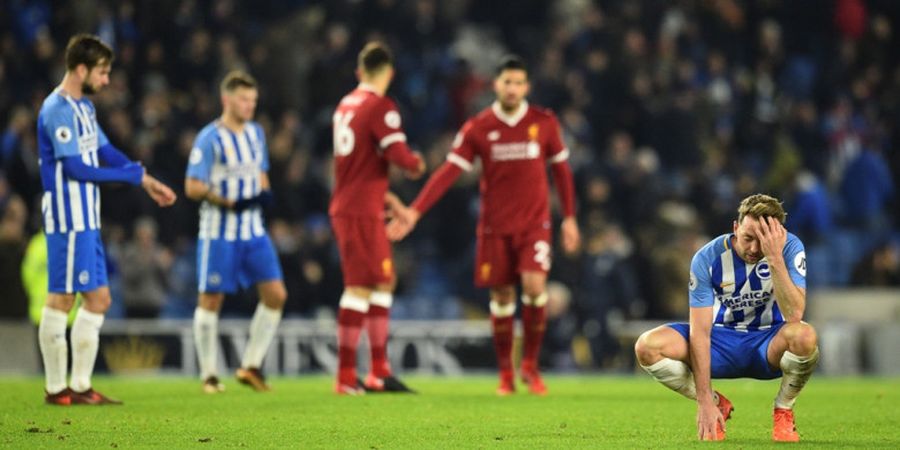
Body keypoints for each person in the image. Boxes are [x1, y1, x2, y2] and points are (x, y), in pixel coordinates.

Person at [387, 55, 581, 396]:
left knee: (536, 289)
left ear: (527, 87)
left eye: (519, 83)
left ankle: (531, 368)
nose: (512, 88)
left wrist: (569, 217)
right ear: (496, 84)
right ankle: (506, 372)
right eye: (507, 82)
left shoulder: (544, 122)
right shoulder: (479, 126)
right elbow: (448, 172)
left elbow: (561, 171)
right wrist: (416, 211)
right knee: (502, 297)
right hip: (494, 227)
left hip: (534, 224)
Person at [37, 34, 176, 405]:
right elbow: (76, 168)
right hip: (68, 217)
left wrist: (144, 178)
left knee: (98, 299)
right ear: (80, 69)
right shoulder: (56, 109)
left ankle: (80, 386)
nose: (106, 80)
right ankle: (56, 389)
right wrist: (129, 178)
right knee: (62, 299)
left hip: (88, 218)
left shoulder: (84, 108)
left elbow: (104, 150)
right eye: (102, 72)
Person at [634, 194, 819, 442]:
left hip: (768, 343)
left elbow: (794, 314)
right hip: (720, 342)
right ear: (735, 227)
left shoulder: (790, 248)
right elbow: (699, 331)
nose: (754, 249)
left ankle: (783, 409)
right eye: (748, 238)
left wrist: (774, 258)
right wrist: (703, 400)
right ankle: (716, 403)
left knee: (805, 335)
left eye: (762, 241)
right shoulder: (707, 257)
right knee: (647, 346)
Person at [330, 42, 425, 395]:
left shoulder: (345, 105)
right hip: (357, 211)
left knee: (384, 281)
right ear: (389, 73)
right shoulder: (379, 106)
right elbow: (398, 155)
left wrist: (388, 199)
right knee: (359, 287)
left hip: (361, 204)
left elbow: (357, 167)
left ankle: (379, 372)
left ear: (359, 72)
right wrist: (418, 163)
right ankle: (344, 377)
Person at [185, 70, 287, 394]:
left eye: (253, 100)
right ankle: (209, 375)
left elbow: (261, 172)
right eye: (244, 99)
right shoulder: (209, 138)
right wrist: (226, 202)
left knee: (276, 295)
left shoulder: (256, 133)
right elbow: (192, 186)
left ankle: (251, 366)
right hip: (219, 232)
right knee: (211, 299)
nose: (250, 105)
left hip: (253, 231)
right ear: (226, 99)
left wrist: (265, 194)